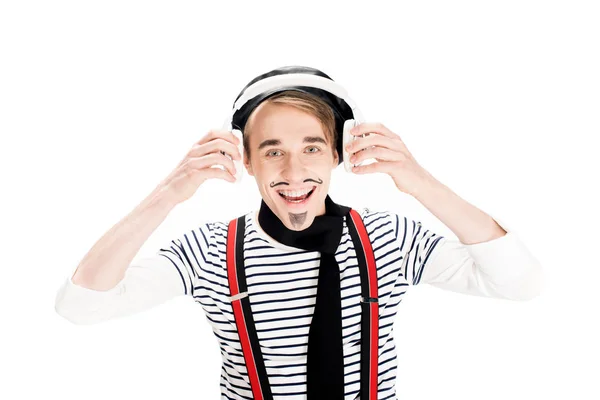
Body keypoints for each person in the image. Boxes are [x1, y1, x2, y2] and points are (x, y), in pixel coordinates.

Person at [54, 66, 543, 399]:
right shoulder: (209, 250)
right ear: (245, 160)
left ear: (338, 155)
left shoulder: (388, 237)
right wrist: (169, 193)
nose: (293, 171)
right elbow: (80, 306)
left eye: (312, 148)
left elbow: (519, 283)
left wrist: (418, 181)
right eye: (272, 150)